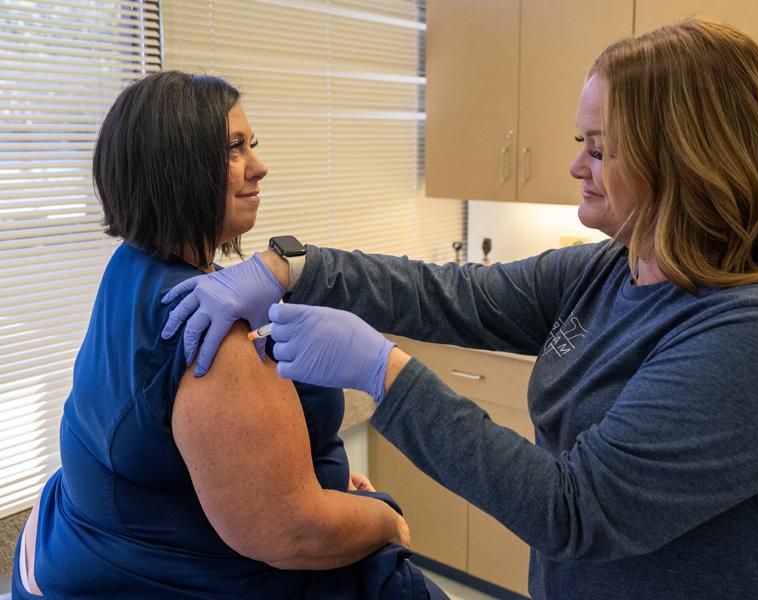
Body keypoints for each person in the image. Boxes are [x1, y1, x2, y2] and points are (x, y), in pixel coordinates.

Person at [162, 19, 758, 600]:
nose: (577, 165)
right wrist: (294, 266)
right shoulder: (615, 266)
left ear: (687, 160)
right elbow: (457, 295)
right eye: (584, 142)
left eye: (601, 148)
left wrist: (380, 371)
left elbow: (574, 509)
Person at [13, 71, 444, 599]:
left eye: (251, 146)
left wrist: (319, 481)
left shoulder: (131, 269)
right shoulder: (209, 334)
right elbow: (294, 531)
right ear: (176, 170)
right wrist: (385, 519)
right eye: (234, 150)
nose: (259, 168)